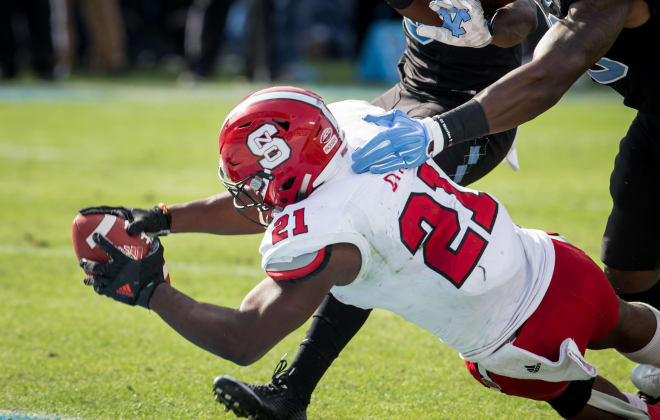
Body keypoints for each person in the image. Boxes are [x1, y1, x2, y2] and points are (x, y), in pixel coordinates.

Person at [79, 86, 660, 420]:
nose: (250, 192)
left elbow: (243, 338)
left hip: (513, 339)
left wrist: (152, 291)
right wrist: (162, 219)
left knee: (604, 407)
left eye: (255, 177)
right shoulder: (355, 127)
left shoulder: (325, 232)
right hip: (553, 263)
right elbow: (266, 201)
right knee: (630, 324)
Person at [349, 0, 660, 402]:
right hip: (653, 114)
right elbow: (512, 17)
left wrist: (438, 131)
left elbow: (548, 75)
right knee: (629, 273)